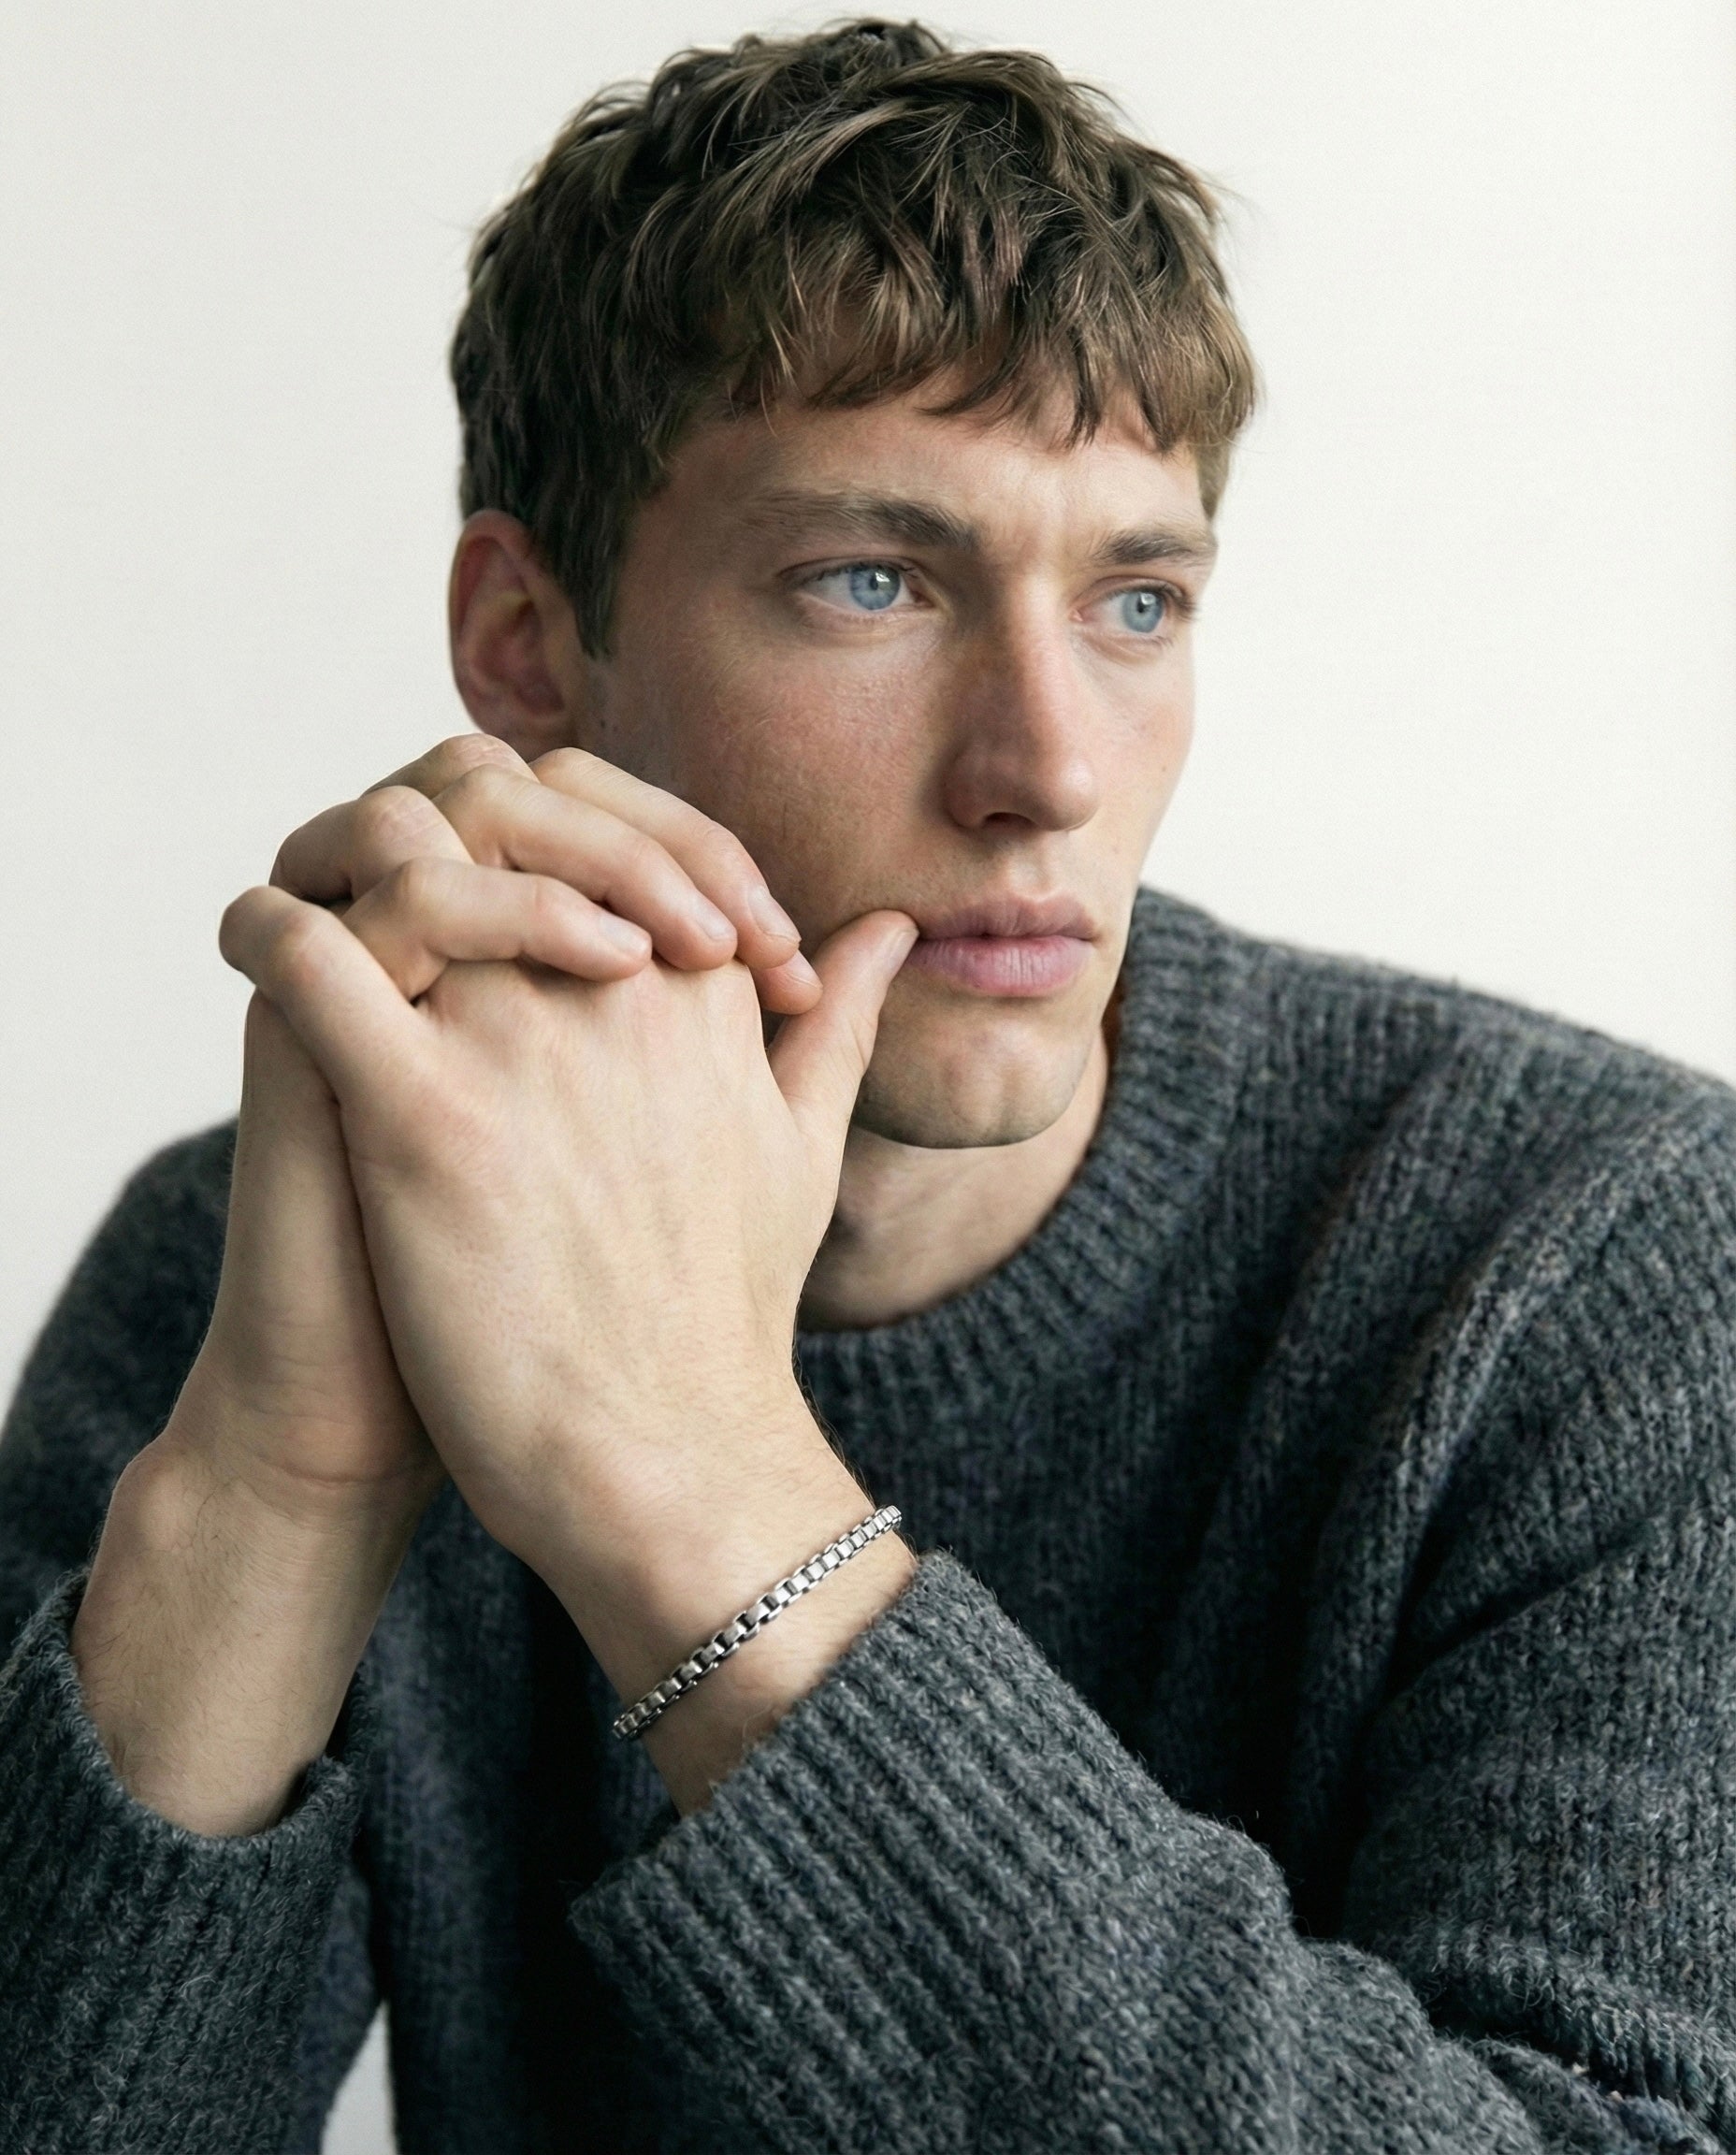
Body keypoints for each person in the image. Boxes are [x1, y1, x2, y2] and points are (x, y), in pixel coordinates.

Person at [2, 18, 1732, 2151]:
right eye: (873, 582)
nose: (1048, 770)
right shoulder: (264, 1272)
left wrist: (695, 1488)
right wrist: (279, 1491)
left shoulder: (1596, 1264)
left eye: (1136, 600)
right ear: (529, 640)